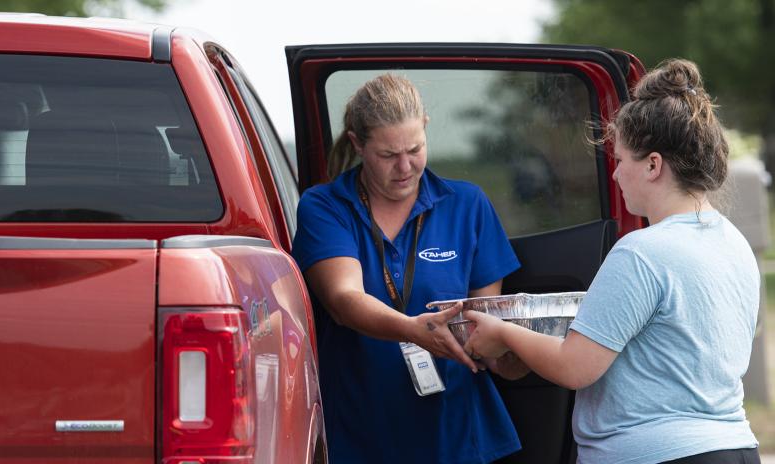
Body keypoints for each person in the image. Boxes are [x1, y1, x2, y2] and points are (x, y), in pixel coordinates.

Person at [462, 58, 761, 464]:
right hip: (735, 448)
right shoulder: (734, 242)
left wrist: (504, 334)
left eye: (621, 161)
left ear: (653, 165)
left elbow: (574, 367)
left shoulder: (642, 252)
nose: (616, 175)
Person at [292, 73, 527, 464]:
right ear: (357, 144)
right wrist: (414, 332)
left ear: (426, 131)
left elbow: (484, 323)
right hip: (361, 429)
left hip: (455, 433)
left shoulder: (467, 204)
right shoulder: (326, 206)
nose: (405, 167)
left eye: (415, 149)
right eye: (388, 155)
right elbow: (343, 299)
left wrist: (514, 353)